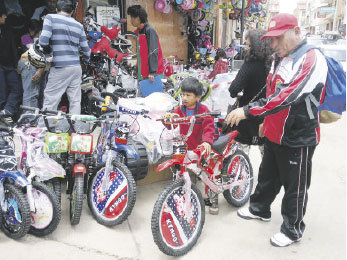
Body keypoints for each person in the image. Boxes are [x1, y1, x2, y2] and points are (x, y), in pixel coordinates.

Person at [225, 13, 328, 247]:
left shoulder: (312, 59)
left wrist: (249, 111)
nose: (273, 44)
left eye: (278, 38)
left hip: (298, 135)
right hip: (274, 129)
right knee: (268, 173)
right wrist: (265, 121)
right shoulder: (279, 58)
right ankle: (260, 208)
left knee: (295, 185)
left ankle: (292, 229)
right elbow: (272, 92)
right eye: (270, 39)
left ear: (296, 32)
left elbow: (288, 95)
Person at [162, 77, 217, 214]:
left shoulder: (204, 110)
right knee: (181, 170)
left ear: (197, 97)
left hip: (199, 147)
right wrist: (166, 119)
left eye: (188, 95)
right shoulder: (179, 110)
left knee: (206, 172)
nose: (184, 98)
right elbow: (170, 125)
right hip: (184, 145)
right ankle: (183, 192)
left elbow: (209, 128)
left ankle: (213, 198)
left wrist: (206, 141)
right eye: (182, 94)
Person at [39, 0, 90, 114]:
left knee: (51, 99)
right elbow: (86, 50)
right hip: (76, 68)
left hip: (60, 67)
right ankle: (75, 127)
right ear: (72, 12)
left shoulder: (50, 18)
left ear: (57, 9)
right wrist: (86, 62)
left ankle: (46, 128)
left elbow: (43, 41)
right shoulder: (79, 25)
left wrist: (49, 53)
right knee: (75, 100)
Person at [228, 29, 273, 154]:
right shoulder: (274, 63)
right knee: (266, 153)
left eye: (249, 45)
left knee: (241, 153)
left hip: (246, 114)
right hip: (266, 115)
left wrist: (235, 92)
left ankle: (243, 173)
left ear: (257, 46)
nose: (246, 48)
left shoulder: (250, 63)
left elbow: (234, 89)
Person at [127, 5, 164, 84]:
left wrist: (152, 72)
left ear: (138, 18)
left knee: (153, 96)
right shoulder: (139, 32)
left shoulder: (149, 30)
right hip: (143, 74)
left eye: (132, 18)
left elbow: (153, 51)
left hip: (152, 75)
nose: (131, 20)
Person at [0, 2, 22, 121]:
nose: (5, 17)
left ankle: (7, 110)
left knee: (17, 88)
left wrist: (16, 64)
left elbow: (13, 47)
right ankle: (3, 118)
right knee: (2, 93)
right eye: (3, 15)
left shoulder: (7, 28)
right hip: (1, 66)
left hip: (9, 65)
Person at [18, 20, 45, 108]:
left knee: (37, 92)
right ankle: (29, 117)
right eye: (34, 31)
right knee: (30, 92)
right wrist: (38, 38)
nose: (34, 33)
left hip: (37, 65)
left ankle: (35, 116)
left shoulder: (36, 38)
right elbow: (34, 49)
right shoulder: (25, 37)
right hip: (27, 64)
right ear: (29, 30)